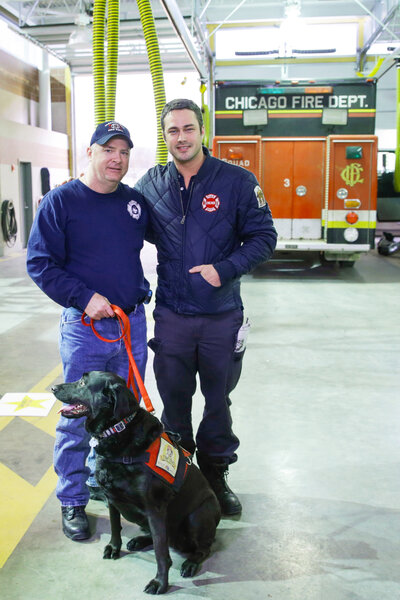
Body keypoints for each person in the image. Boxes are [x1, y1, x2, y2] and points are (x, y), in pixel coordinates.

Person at [135, 99, 277, 515]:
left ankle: (216, 475)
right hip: (173, 315)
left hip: (221, 315)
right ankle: (180, 478)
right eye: (172, 131)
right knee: (173, 403)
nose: (181, 137)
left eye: (188, 128)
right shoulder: (151, 184)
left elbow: (264, 237)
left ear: (203, 131)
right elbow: (123, 224)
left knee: (218, 401)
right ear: (165, 137)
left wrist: (225, 269)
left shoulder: (236, 181)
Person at [26, 121, 150, 541]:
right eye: (108, 149)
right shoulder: (60, 203)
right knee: (77, 418)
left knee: (125, 415)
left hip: (131, 326)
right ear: (90, 152)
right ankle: (73, 499)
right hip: (86, 330)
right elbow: (40, 264)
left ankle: (114, 486)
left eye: (124, 151)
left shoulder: (133, 203)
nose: (117, 158)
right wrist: (84, 297)